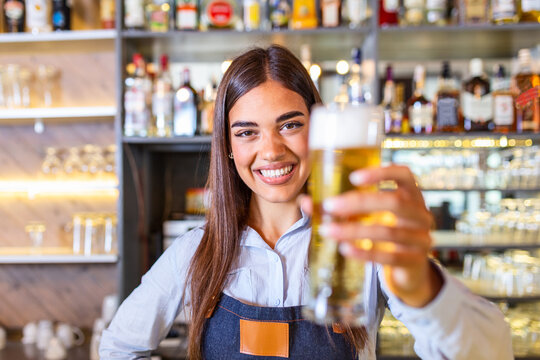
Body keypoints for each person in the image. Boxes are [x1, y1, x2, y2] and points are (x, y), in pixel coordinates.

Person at [100, 45, 513, 360]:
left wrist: (421, 283)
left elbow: (490, 350)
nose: (272, 150)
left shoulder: (362, 244)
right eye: (247, 132)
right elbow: (117, 347)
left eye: (290, 125)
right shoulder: (196, 249)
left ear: (320, 130)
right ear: (227, 146)